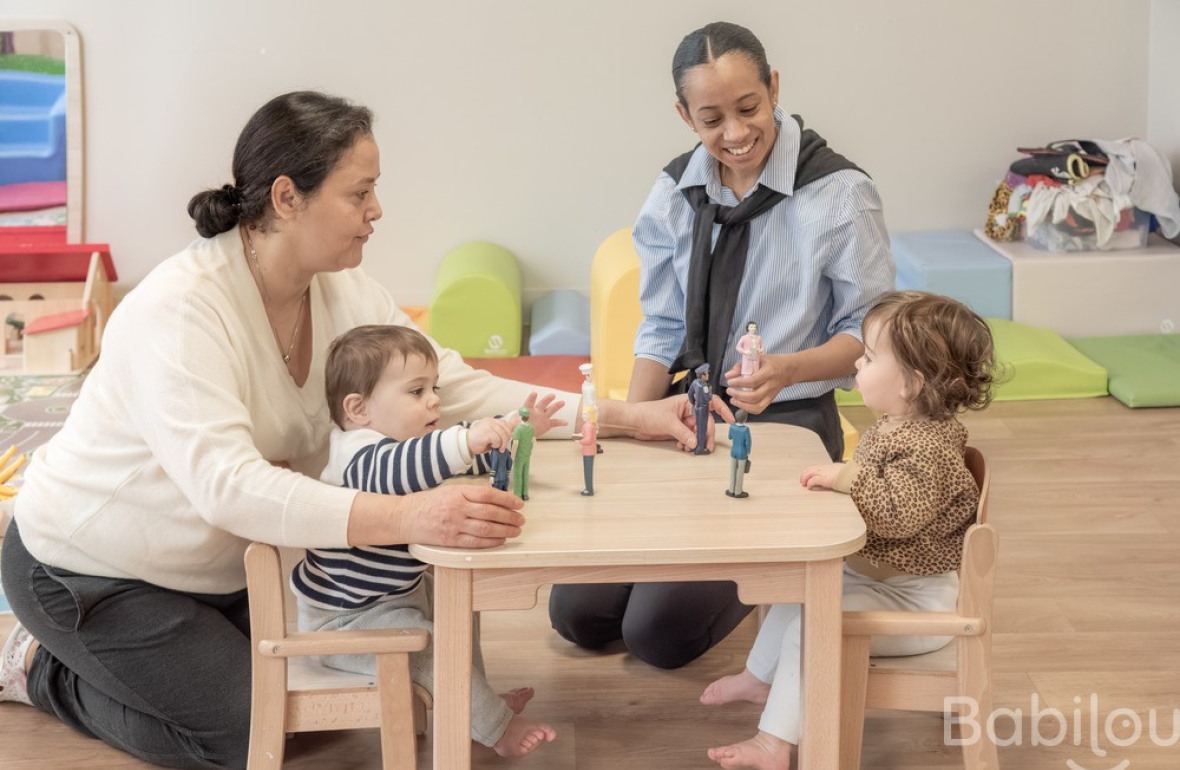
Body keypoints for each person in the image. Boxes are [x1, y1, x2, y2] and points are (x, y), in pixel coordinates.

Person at [0, 90, 714, 770]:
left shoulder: (341, 291)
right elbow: (228, 487)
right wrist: (411, 514)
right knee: (253, 732)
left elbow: (459, 389)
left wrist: (625, 414)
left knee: (343, 699)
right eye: (359, 192)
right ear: (287, 197)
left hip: (223, 572)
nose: (377, 210)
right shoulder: (179, 312)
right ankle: (31, 666)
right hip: (92, 569)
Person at [549, 21, 895, 670]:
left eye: (748, 108)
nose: (734, 135)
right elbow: (659, 327)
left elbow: (872, 339)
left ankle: (764, 588)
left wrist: (788, 368)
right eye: (711, 119)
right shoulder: (675, 192)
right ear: (684, 115)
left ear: (774, 88)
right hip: (691, 415)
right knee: (580, 617)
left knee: (657, 638)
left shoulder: (841, 194)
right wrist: (629, 427)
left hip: (786, 428)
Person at [700, 291, 996, 770]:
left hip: (916, 604)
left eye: (872, 356)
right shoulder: (903, 425)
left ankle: (774, 742)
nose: (858, 360)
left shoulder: (928, 448)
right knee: (796, 594)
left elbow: (897, 513)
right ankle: (761, 678)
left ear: (912, 384)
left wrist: (848, 478)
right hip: (880, 580)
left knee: (809, 626)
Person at [291, 325, 556, 758]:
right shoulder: (358, 457)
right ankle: (496, 726)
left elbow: (451, 463)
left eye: (434, 388)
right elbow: (408, 466)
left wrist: (512, 434)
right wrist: (467, 438)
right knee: (437, 646)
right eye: (416, 392)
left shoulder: (406, 446)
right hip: (346, 623)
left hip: (391, 602)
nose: (434, 399)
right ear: (358, 409)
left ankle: (474, 706)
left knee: (458, 606)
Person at [509, 408, 536, 501]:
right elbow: (533, 441)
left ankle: (517, 494)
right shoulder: (531, 428)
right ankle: (525, 494)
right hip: (527, 454)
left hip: (519, 455)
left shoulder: (518, 429)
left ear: (520, 417)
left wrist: (512, 455)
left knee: (518, 474)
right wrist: (529, 451)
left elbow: (515, 443)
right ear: (528, 417)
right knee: (525, 474)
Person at [726, 409, 752, 498]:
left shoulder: (732, 427)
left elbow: (729, 437)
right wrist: (748, 451)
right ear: (745, 419)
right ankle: (738, 492)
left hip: (733, 452)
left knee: (732, 471)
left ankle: (731, 490)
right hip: (742, 454)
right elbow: (748, 443)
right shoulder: (745, 430)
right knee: (740, 473)